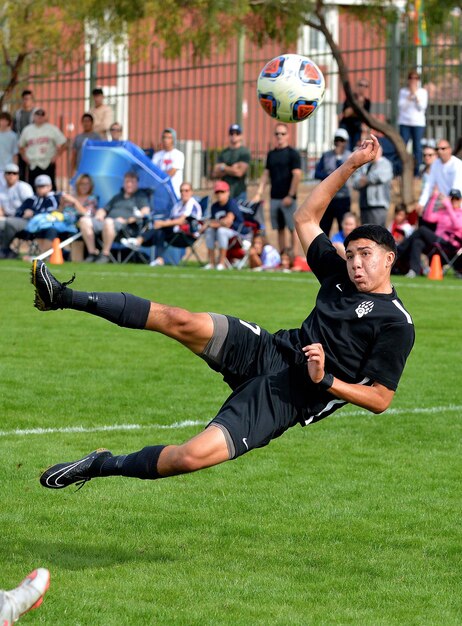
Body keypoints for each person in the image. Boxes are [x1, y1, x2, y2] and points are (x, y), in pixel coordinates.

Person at [32, 135, 415, 492]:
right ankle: (62, 297)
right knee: (180, 319)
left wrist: (326, 379)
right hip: (269, 348)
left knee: (189, 456)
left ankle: (101, 465)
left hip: (287, 397)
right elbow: (305, 218)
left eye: (365, 255)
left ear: (389, 259)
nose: (355, 263)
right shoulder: (339, 274)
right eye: (350, 255)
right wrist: (351, 163)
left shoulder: (396, 323)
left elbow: (380, 399)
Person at [120, 181, 202, 266]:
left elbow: (182, 221)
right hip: (175, 233)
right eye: (181, 191)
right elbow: (171, 219)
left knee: (160, 227)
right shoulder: (178, 205)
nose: (183, 193)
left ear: (191, 192)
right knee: (159, 231)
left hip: (188, 235)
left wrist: (162, 224)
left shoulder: (192, 204)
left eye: (186, 190)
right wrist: (162, 223)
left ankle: (138, 241)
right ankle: (159, 259)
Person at [78, 170, 151, 263]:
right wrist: (100, 214)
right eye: (127, 182)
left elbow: (145, 212)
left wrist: (127, 220)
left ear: (137, 183)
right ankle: (92, 253)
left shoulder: (141, 197)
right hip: (107, 223)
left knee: (109, 221)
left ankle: (105, 254)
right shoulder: (117, 197)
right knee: (84, 220)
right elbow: (104, 209)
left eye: (132, 182)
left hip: (125, 227)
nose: (129, 184)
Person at [253, 123, 302, 252]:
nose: (280, 136)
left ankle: (293, 257)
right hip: (274, 197)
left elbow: (297, 175)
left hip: (288, 198)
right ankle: (282, 256)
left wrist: (290, 195)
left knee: (292, 228)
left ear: (288, 135)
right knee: (279, 228)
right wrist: (259, 192)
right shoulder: (271, 154)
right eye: (277, 134)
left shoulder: (293, 154)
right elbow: (266, 174)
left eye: (283, 133)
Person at [397, 188, 462, 277]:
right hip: (436, 243)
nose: (454, 201)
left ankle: (399, 250)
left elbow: (457, 225)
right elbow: (427, 217)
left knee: (422, 229)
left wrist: (449, 208)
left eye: (456, 199)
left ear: (460, 200)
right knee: (418, 242)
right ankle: (414, 271)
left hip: (448, 245)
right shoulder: (443, 212)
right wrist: (433, 198)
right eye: (452, 199)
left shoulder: (459, 213)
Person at [314, 128, 351, 236]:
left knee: (344, 228)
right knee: (324, 228)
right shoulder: (326, 155)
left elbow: (345, 175)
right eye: (337, 139)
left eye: (342, 140)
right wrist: (328, 177)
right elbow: (317, 173)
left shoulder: (350, 156)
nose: (339, 142)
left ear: (346, 142)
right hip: (327, 198)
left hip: (343, 197)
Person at [203, 180, 247, 270]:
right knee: (209, 231)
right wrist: (211, 224)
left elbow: (228, 222)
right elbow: (213, 221)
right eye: (217, 192)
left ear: (228, 192)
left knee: (221, 231)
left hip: (236, 233)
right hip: (221, 231)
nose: (219, 194)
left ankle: (221, 263)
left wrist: (211, 224)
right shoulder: (214, 206)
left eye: (222, 192)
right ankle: (211, 263)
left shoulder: (231, 204)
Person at [18, 109, 67, 189]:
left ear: (45, 117)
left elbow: (64, 143)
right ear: (33, 116)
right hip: (33, 164)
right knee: (33, 188)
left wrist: (56, 156)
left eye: (42, 115)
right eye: (37, 115)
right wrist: (25, 157)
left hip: (47, 163)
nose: (40, 117)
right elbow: (20, 146)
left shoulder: (52, 129)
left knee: (50, 189)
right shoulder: (27, 130)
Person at [351, 143, 393, 227]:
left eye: (375, 151)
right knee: (366, 234)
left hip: (378, 205)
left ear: (380, 151)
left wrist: (365, 179)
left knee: (377, 234)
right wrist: (367, 179)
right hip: (363, 205)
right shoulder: (364, 165)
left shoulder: (385, 164)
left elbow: (380, 177)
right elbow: (355, 183)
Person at [416, 139, 462, 214]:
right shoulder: (435, 164)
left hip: (456, 206)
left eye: (443, 148)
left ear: (450, 149)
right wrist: (422, 202)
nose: (440, 151)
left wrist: (448, 201)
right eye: (437, 149)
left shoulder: (458, 164)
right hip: (441, 205)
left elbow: (457, 188)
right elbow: (429, 184)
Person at [397, 71, 428, 177]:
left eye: (415, 78)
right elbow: (401, 107)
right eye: (411, 78)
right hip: (404, 122)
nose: (413, 80)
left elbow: (422, 107)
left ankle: (417, 171)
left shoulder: (423, 92)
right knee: (402, 145)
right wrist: (409, 96)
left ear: (418, 80)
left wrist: (415, 95)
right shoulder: (403, 92)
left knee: (417, 147)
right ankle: (400, 169)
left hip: (418, 123)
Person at [0, 164, 34, 258]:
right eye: (9, 173)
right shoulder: (2, 189)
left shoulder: (23, 187)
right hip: (8, 217)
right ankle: (9, 252)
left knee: (10, 222)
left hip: (23, 219)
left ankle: (4, 249)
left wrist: (27, 211)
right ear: (4, 175)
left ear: (18, 175)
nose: (11, 175)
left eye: (14, 173)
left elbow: (30, 204)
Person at [211, 124, 251, 201]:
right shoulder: (224, 153)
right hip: (224, 193)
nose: (234, 135)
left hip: (239, 192)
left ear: (241, 136)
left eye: (237, 133)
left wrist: (223, 167)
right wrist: (232, 168)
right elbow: (215, 173)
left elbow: (239, 173)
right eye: (231, 133)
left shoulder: (244, 152)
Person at [12, 89, 38, 182]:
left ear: (32, 100)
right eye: (25, 99)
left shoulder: (37, 113)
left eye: (29, 99)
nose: (26, 101)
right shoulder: (17, 114)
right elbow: (14, 129)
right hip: (21, 147)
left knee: (33, 171)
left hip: (34, 147)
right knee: (21, 171)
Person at [339, 78, 371, 151]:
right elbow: (346, 114)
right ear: (357, 86)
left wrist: (366, 133)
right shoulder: (351, 99)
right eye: (361, 85)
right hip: (346, 127)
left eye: (365, 86)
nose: (363, 88)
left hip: (357, 129)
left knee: (354, 149)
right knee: (344, 148)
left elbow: (366, 118)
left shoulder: (367, 102)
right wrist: (358, 104)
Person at [152, 128, 184, 198]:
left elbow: (171, 172)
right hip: (159, 192)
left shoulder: (178, 155)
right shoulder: (157, 155)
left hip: (174, 192)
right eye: (164, 137)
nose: (166, 140)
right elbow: (152, 171)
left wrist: (159, 177)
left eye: (169, 138)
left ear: (173, 140)